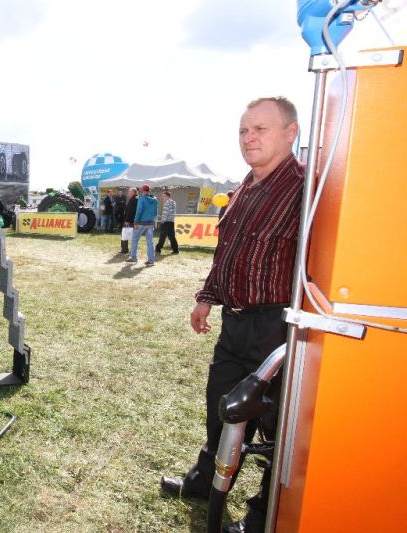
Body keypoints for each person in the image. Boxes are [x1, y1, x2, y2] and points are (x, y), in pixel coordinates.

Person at [159, 97, 303, 533]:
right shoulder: (245, 186)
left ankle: (262, 516)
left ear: (291, 133)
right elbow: (228, 254)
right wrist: (207, 296)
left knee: (274, 427)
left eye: (260, 129)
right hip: (235, 324)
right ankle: (207, 483)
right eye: (243, 130)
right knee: (220, 407)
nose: (249, 138)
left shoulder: (306, 187)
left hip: (277, 326)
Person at [128, 184, 157, 266]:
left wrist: (135, 222)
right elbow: (155, 212)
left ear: (142, 190)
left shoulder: (142, 199)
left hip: (141, 223)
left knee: (134, 240)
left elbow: (139, 211)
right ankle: (151, 260)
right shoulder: (155, 200)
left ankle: (133, 258)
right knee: (150, 242)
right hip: (150, 223)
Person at [155, 190, 179, 256]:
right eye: (162, 196)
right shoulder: (173, 202)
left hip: (166, 223)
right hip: (171, 222)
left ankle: (158, 249)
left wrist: (161, 220)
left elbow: (165, 214)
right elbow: (170, 213)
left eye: (164, 196)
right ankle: (176, 250)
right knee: (172, 237)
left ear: (168, 196)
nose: (162, 198)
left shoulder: (166, 203)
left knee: (162, 237)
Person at [119, 188, 136, 254]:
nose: (128, 193)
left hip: (130, 221)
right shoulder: (132, 199)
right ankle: (125, 249)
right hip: (130, 220)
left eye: (129, 192)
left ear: (133, 192)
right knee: (125, 234)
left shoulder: (134, 200)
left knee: (128, 235)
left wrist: (127, 220)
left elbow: (131, 211)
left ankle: (127, 250)